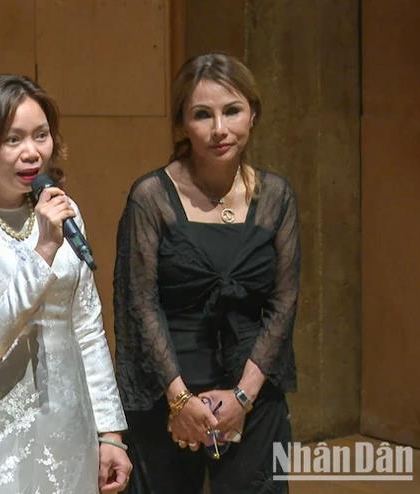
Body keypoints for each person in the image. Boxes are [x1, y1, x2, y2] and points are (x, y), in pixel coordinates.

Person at [0, 74, 131, 493]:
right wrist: (44, 250)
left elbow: (87, 327)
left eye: (41, 135)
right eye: (13, 139)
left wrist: (110, 432)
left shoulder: (61, 212)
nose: (32, 152)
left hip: (68, 424)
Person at [114, 52, 300, 493]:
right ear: (182, 124)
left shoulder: (277, 196)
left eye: (232, 111)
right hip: (168, 392)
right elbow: (140, 304)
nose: (219, 128)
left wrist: (242, 397)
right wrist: (180, 400)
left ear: (253, 115)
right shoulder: (151, 197)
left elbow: (284, 302)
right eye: (202, 114)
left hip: (252, 390)